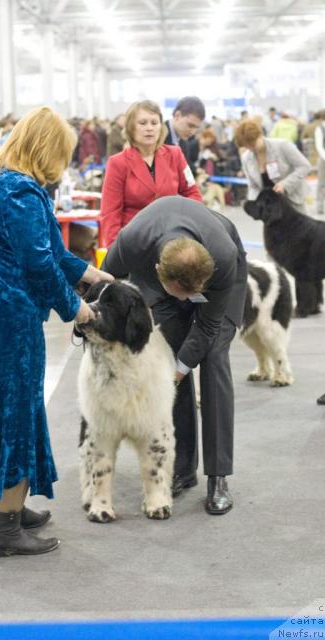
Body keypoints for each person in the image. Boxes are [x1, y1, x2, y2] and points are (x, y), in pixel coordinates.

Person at [0, 106, 114, 558]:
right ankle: (7, 529)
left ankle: (12, 505)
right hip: (3, 315)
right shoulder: (22, 191)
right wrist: (78, 309)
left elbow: (51, 251)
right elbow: (38, 265)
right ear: (48, 149)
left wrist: (92, 275)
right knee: (16, 409)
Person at [102, 195, 247, 515]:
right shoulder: (131, 242)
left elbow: (208, 329)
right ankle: (181, 468)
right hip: (158, 266)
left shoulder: (221, 260)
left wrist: (179, 372)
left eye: (196, 294)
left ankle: (218, 475)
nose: (193, 300)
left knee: (213, 359)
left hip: (222, 267)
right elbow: (103, 285)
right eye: (186, 296)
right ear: (158, 274)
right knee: (169, 352)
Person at [101, 99, 203, 248]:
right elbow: (110, 212)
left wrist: (185, 222)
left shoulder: (175, 154)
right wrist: (115, 250)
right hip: (134, 241)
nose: (149, 128)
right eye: (142, 123)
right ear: (130, 128)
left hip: (173, 236)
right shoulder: (117, 163)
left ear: (160, 127)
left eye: (154, 123)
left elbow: (193, 194)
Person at [235, 119, 311, 212]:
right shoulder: (246, 158)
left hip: (292, 200)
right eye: (247, 147)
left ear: (260, 135)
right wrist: (254, 203)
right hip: (269, 208)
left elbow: (304, 166)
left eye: (253, 144)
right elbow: (253, 185)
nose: (251, 149)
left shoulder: (282, 145)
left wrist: (285, 184)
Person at [164, 96, 205, 175]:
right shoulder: (156, 136)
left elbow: (185, 165)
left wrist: (196, 171)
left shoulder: (184, 141)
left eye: (196, 128)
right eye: (190, 125)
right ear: (177, 116)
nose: (193, 132)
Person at [314, 110, 325, 216]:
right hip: (323, 160)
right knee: (322, 183)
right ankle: (320, 206)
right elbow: (319, 146)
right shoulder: (320, 129)